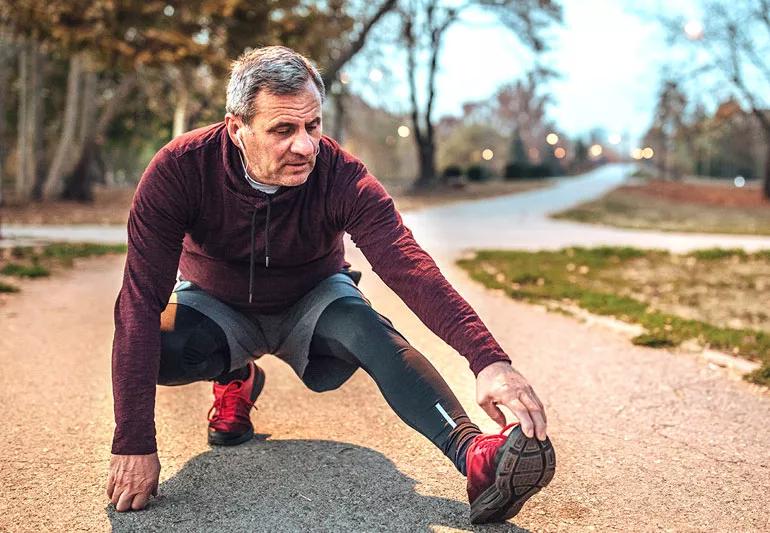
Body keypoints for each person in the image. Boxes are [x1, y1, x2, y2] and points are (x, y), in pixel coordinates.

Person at [106, 45, 555, 525]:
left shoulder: (341, 176)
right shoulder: (181, 169)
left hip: (314, 300)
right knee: (163, 348)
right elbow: (139, 300)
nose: (305, 146)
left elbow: (410, 267)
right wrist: (133, 441)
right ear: (237, 129)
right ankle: (235, 376)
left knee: (368, 330)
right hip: (216, 303)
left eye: (312, 126)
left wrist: (489, 360)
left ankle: (475, 457)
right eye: (283, 129)